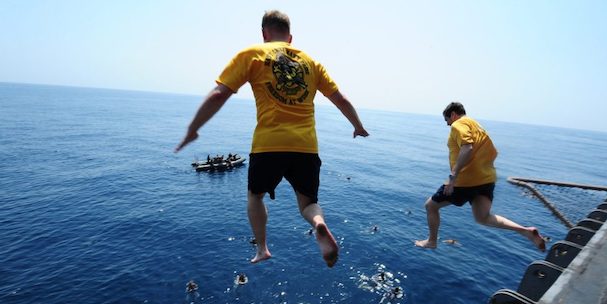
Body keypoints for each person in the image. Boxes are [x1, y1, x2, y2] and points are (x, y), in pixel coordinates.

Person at [175, 10, 369, 267]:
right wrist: (357, 126)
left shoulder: (252, 54)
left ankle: (263, 249)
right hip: (306, 147)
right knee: (308, 204)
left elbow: (218, 95)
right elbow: (340, 99)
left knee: (255, 196)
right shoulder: (311, 62)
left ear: (264, 33)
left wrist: (193, 128)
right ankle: (319, 223)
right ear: (290, 37)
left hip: (269, 144)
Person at [415, 102, 546, 251]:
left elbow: (467, 147)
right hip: (486, 179)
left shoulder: (458, 124)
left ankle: (432, 241)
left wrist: (453, 177)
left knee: (430, 206)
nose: (448, 125)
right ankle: (525, 231)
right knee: (482, 217)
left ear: (453, 114)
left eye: (447, 121)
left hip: (465, 180)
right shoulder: (477, 127)